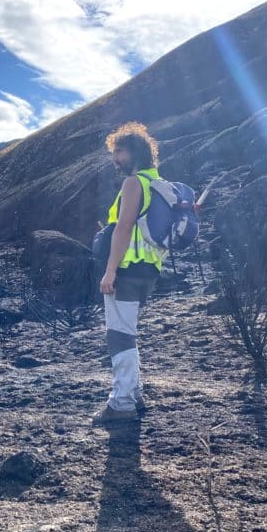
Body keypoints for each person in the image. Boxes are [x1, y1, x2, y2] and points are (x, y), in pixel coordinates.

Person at [94, 122, 165, 425]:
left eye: (119, 152)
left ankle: (121, 403)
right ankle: (134, 394)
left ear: (134, 151)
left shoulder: (134, 183)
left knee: (119, 336)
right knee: (128, 333)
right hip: (148, 272)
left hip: (127, 270)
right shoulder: (159, 183)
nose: (115, 159)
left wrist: (110, 271)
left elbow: (123, 228)